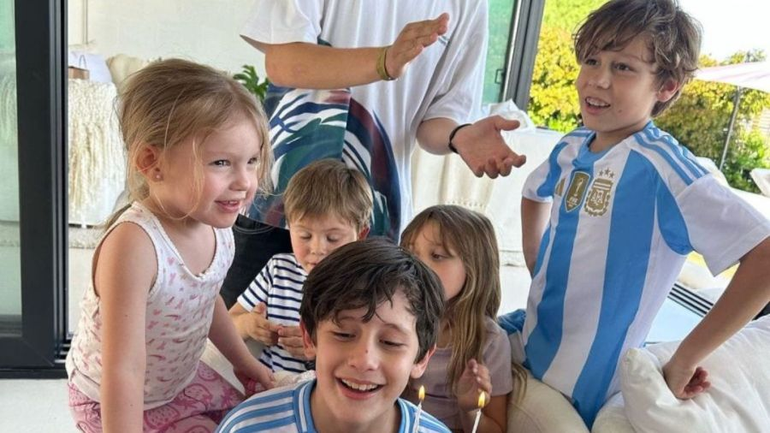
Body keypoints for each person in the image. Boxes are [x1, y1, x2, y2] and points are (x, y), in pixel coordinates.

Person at [498, 0, 770, 428]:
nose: (598, 79)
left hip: (581, 391)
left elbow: (764, 255)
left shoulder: (665, 170)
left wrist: (685, 358)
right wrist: (537, 264)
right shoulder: (572, 145)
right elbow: (534, 192)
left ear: (667, 86)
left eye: (623, 67)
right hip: (525, 345)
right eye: (592, 60)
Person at [220, 0, 529, 302]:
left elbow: (435, 122)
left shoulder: (470, 6)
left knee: (351, 333)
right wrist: (385, 61)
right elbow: (283, 62)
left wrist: (458, 135)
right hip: (279, 203)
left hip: (372, 214)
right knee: (240, 327)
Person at [65, 59, 275, 433]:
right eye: (221, 162)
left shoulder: (218, 226)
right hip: (115, 400)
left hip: (177, 382)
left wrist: (244, 362)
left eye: (252, 161)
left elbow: (207, 300)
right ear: (152, 162)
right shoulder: (134, 246)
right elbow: (123, 370)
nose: (244, 181)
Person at [216, 238, 451, 433]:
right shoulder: (247, 427)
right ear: (309, 338)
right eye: (344, 334)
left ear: (421, 358)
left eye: (390, 342)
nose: (364, 361)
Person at [228, 158, 373, 373]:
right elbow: (229, 323)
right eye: (305, 235)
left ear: (360, 235)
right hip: (271, 386)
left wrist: (318, 349)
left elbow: (368, 354)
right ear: (289, 227)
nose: (317, 248)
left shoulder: (366, 286)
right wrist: (249, 325)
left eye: (332, 238)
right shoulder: (278, 270)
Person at [401, 205, 516, 433]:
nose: (418, 266)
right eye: (410, 253)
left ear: (474, 268)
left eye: (437, 256)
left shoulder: (489, 340)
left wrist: (469, 408)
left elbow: (495, 429)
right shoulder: (392, 320)